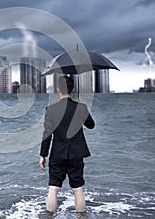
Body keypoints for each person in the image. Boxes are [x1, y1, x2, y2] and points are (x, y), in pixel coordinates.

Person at [39, 76, 95, 213]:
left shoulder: (51, 110)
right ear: (73, 89)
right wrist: (84, 110)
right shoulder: (80, 107)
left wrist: (42, 155)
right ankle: (81, 217)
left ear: (58, 89)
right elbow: (91, 125)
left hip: (57, 153)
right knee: (78, 189)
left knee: (53, 188)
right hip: (76, 153)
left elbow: (47, 134)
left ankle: (49, 217)